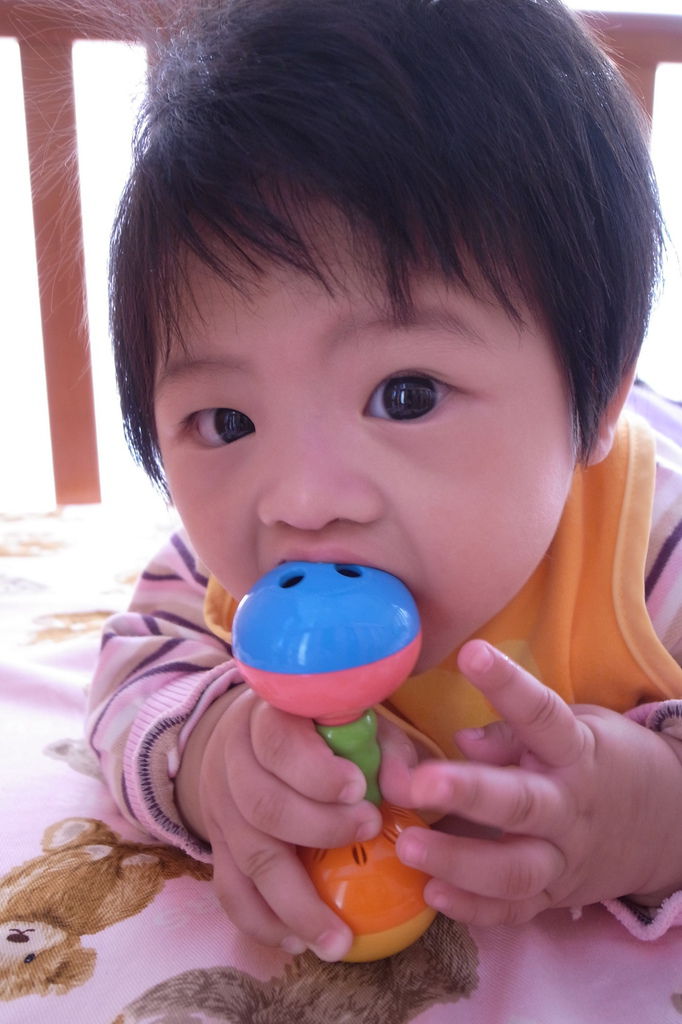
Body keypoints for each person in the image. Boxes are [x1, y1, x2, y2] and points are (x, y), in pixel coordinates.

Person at [87, 0, 682, 963]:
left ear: (595, 396)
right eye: (227, 423)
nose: (302, 500)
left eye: (406, 396)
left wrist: (657, 814)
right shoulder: (223, 570)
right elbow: (129, 672)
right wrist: (209, 758)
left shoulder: (651, 545)